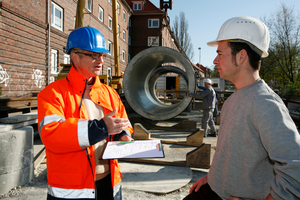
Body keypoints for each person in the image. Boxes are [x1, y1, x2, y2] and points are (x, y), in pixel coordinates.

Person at [184, 16, 300, 200]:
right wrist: (214, 178)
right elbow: (231, 154)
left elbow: (296, 167)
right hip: (213, 190)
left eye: (220, 54)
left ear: (241, 56)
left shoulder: (266, 104)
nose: (215, 60)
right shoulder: (233, 99)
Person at [38, 26, 133, 200]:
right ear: (75, 56)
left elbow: (125, 122)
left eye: (102, 56)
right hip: (71, 190)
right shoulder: (53, 94)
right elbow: (52, 134)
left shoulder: (110, 93)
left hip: (109, 184)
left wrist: (123, 135)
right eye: (93, 55)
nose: (101, 61)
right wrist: (101, 127)